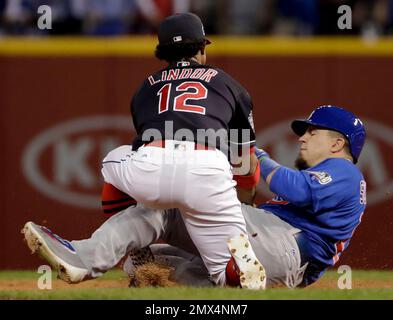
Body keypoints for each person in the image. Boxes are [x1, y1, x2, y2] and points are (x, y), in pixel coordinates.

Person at [23, 12, 265, 290]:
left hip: (151, 166)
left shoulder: (145, 89)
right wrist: (244, 202)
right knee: (233, 276)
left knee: (114, 158)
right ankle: (234, 270)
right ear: (202, 48)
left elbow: (147, 141)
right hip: (208, 170)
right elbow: (244, 161)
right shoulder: (228, 84)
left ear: (162, 51)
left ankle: (136, 256)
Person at [23, 105, 367, 288]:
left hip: (285, 247)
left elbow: (294, 189)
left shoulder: (346, 172)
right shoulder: (333, 177)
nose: (303, 138)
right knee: (145, 263)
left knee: (170, 207)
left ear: (338, 143)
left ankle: (82, 258)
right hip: (278, 260)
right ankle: (219, 284)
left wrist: (254, 153)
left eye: (312, 131)